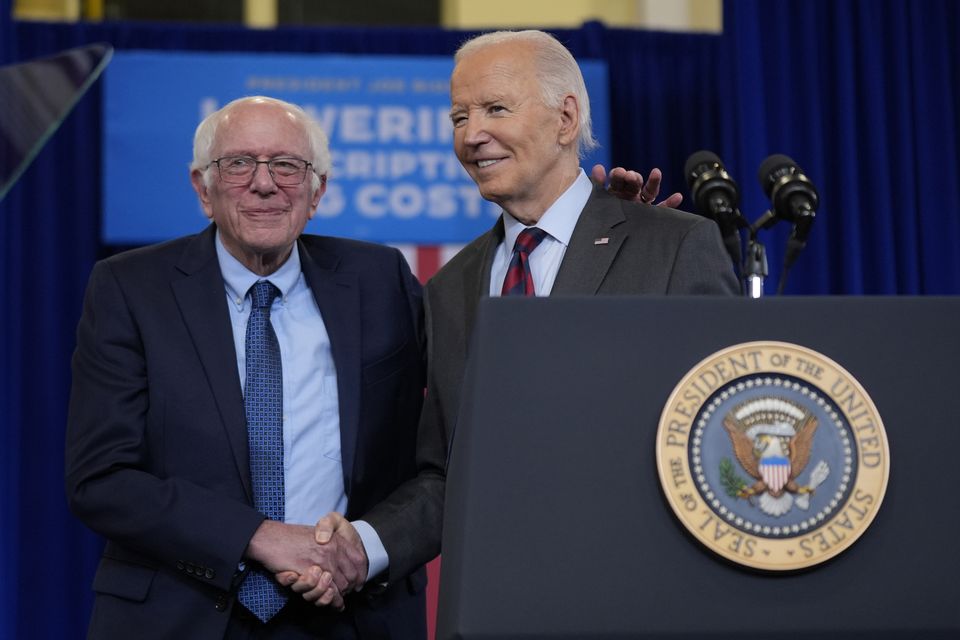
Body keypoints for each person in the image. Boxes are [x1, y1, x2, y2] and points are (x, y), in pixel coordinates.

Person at [295, 29, 740, 599]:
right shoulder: (450, 289)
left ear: (565, 118)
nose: (472, 135)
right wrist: (363, 546)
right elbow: (445, 474)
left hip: (644, 594)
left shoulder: (673, 247)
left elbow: (720, 432)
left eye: (495, 109)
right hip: (497, 598)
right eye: (459, 117)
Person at [65, 96, 428, 639]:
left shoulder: (381, 280)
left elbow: (437, 455)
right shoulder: (130, 289)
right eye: (238, 164)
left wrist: (361, 548)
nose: (264, 184)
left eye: (287, 165)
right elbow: (101, 478)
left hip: (352, 615)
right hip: (180, 612)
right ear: (202, 188)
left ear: (317, 191)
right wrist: (258, 535)